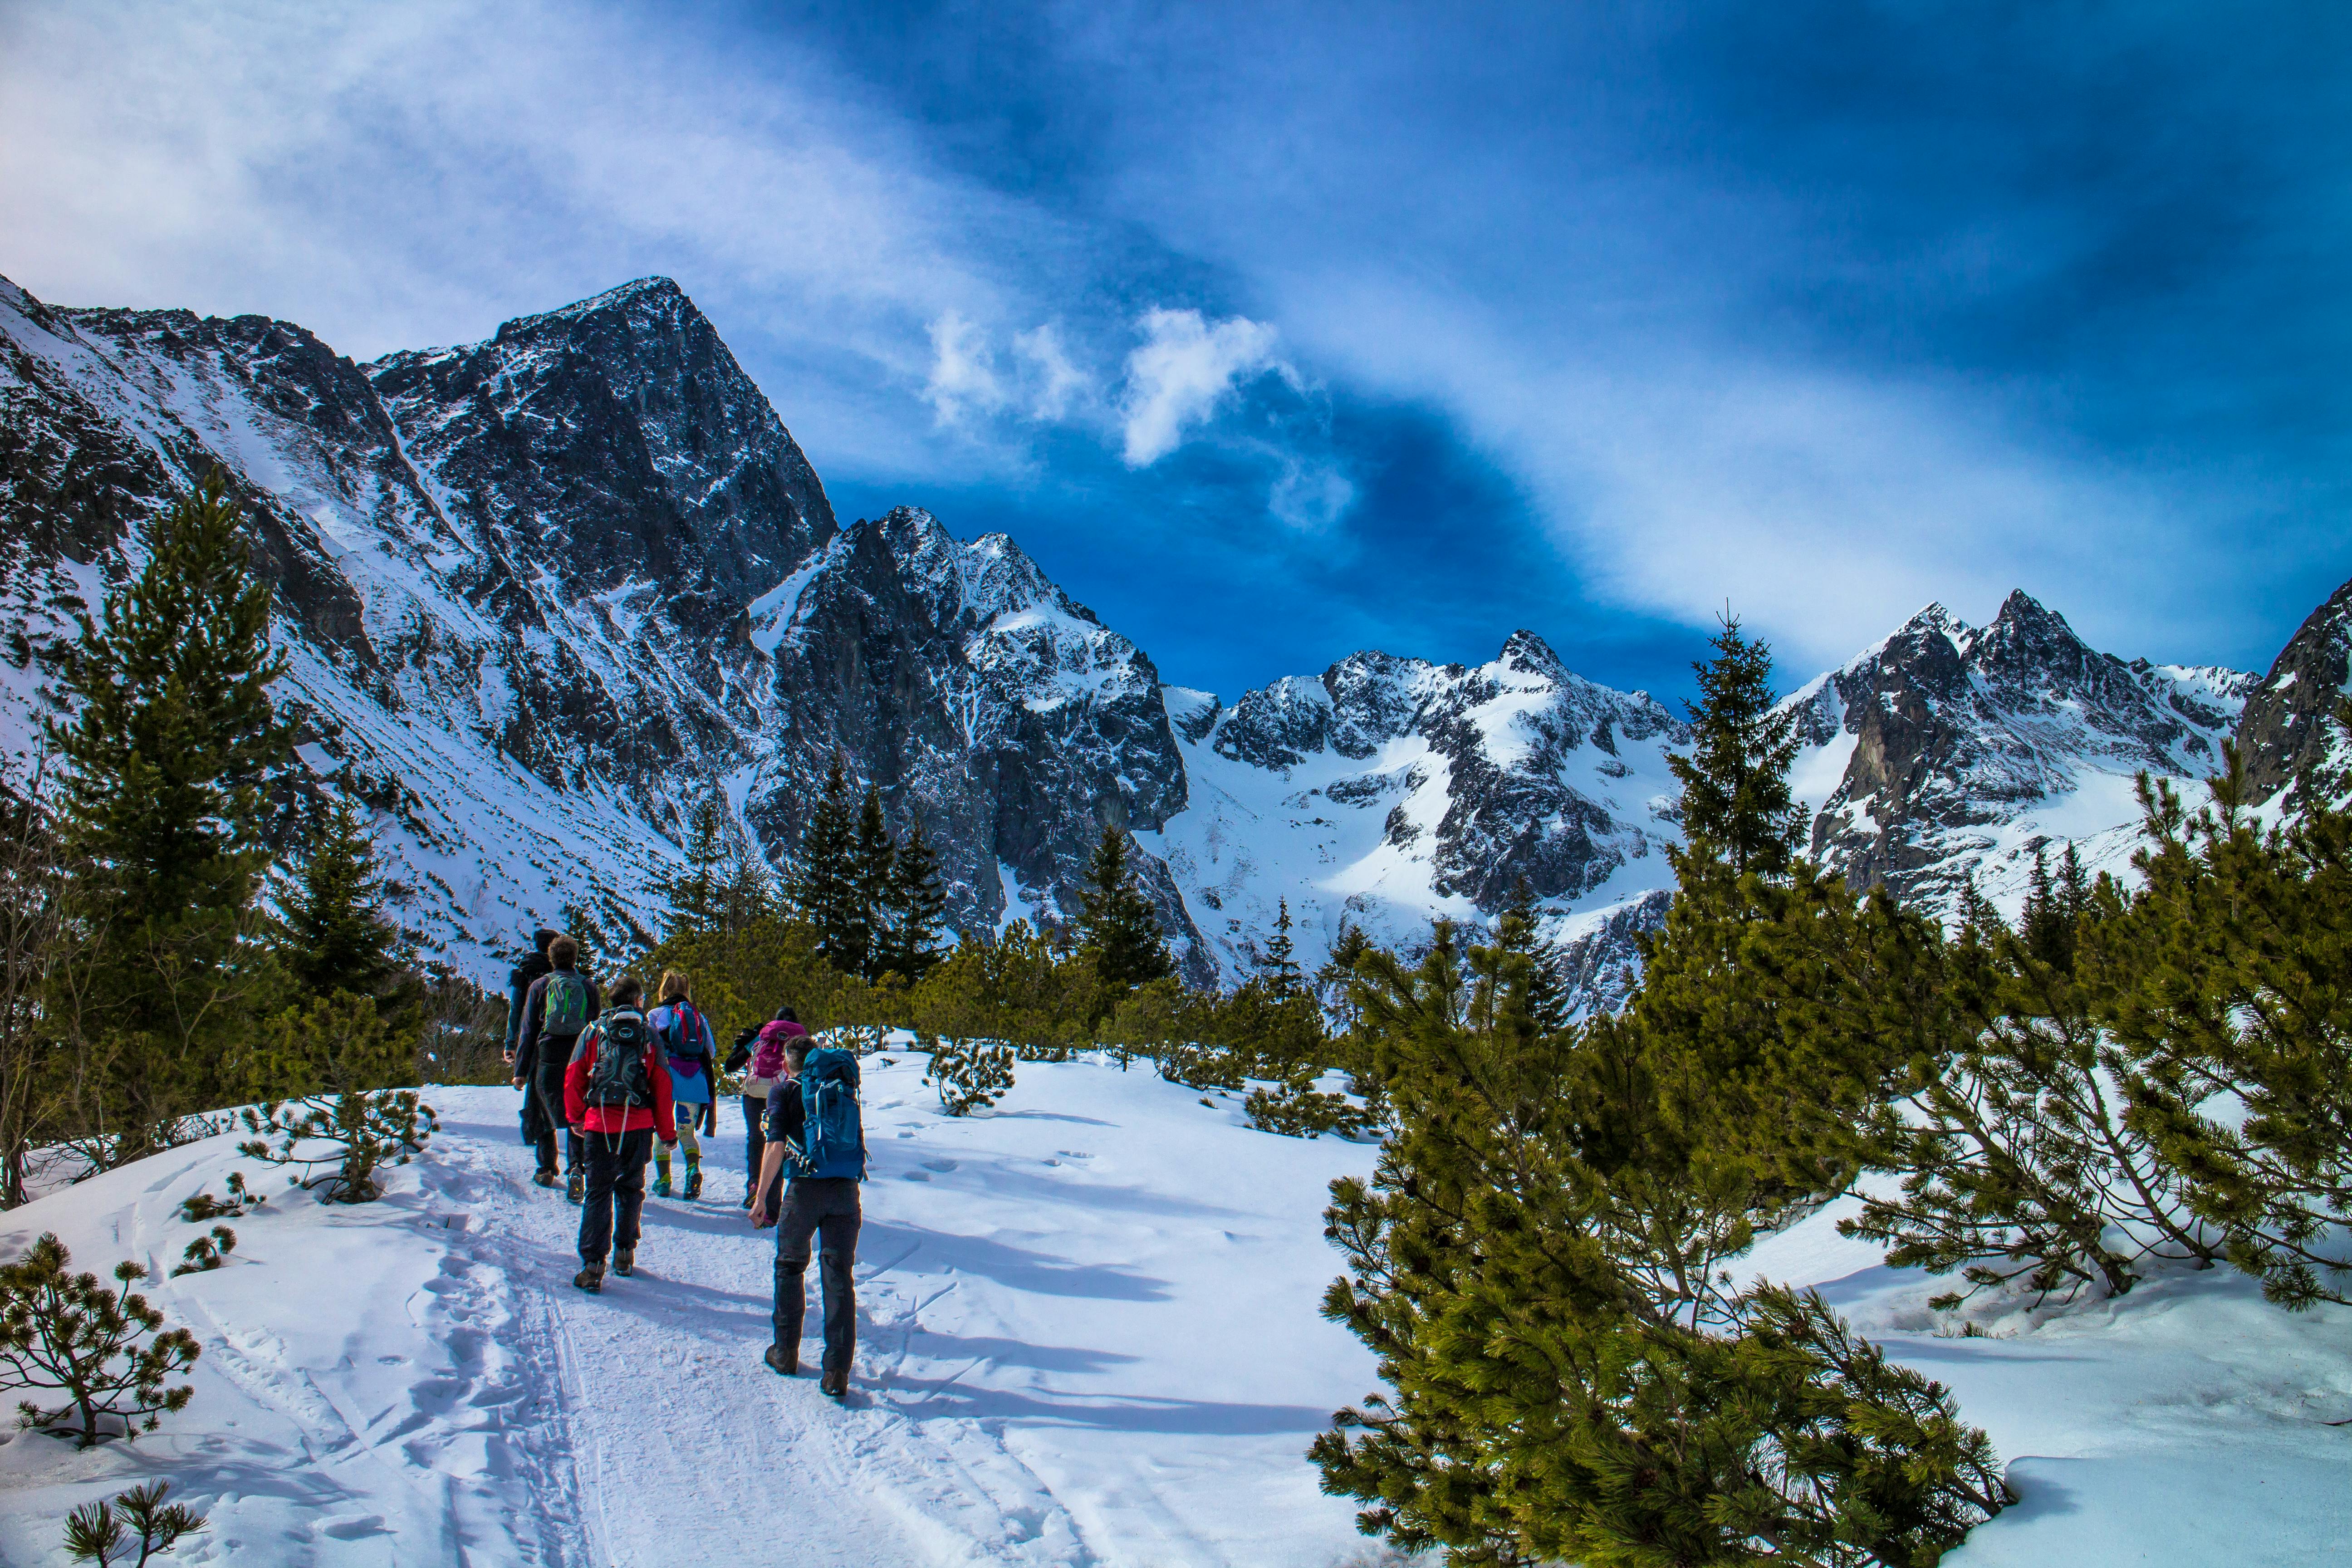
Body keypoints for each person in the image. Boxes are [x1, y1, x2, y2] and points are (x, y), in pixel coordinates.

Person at [750, 1033, 866, 1398]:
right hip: (845, 1191)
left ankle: (785, 1352)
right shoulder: (843, 1089)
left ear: (786, 1064)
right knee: (838, 1277)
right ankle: (836, 1372)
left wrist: (762, 1196)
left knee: (789, 1266)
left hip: (803, 1190)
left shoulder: (783, 1092)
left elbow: (775, 1145)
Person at [564, 974, 676, 1292]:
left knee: (597, 1192)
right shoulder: (649, 1035)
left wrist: (575, 1118)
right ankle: (625, 1252)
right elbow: (663, 1087)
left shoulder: (593, 1032)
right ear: (639, 1001)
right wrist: (667, 1133)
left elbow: (573, 1077)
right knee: (630, 1189)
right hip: (637, 1125)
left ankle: (593, 1264)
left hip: (599, 1125)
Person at [513, 935, 600, 1198]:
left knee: (542, 1110)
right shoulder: (588, 986)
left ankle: (547, 1168)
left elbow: (528, 1031)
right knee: (578, 1110)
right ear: (576, 958)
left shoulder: (540, 986)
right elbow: (596, 1029)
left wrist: (521, 1071)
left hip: (547, 1054)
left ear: (551, 959)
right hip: (580, 1055)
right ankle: (577, 1167)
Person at [646, 971, 716, 1199]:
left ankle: (664, 1180)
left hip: (665, 1080)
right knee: (686, 1133)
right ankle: (693, 1170)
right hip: (694, 1081)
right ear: (687, 991)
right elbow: (711, 1052)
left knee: (661, 1131)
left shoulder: (655, 1014)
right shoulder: (698, 1016)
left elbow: (648, 1048)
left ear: (663, 990)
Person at [732, 1009, 805, 1216]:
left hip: (754, 1093)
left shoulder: (762, 1038)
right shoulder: (799, 1042)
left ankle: (754, 1186)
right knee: (779, 1141)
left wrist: (745, 1040)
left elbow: (731, 1064)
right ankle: (773, 1202)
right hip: (784, 1092)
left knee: (756, 1139)